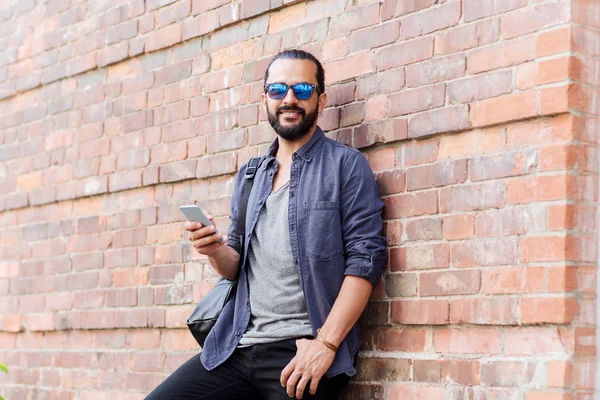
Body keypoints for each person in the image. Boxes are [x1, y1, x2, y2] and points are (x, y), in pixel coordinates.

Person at [146, 49, 387, 400]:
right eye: (278, 90)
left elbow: (366, 261)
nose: (289, 99)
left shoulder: (345, 166)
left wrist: (326, 343)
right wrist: (214, 249)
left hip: (301, 353)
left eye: (302, 90)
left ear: (321, 100)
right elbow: (235, 267)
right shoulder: (251, 175)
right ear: (265, 99)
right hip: (237, 346)